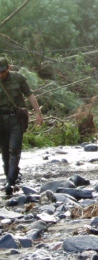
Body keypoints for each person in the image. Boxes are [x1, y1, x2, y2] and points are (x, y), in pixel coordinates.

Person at [0, 57, 43, 195]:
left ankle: (10, 182)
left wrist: (38, 113)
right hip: (1, 119)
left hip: (16, 119)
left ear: (9, 68)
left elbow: (30, 95)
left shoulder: (18, 78)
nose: (1, 74)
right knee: (5, 152)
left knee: (15, 150)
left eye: (3, 71)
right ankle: (9, 176)